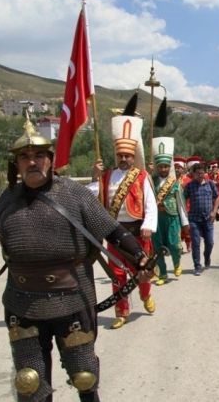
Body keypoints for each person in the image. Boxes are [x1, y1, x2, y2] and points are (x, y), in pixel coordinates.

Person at [0, 117, 152, 401]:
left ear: (50, 160)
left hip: (72, 298)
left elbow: (112, 230)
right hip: (22, 302)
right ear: (16, 164)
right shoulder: (8, 199)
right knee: (30, 383)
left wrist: (140, 257)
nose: (33, 162)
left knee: (85, 378)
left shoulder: (74, 194)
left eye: (39, 155)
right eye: (25, 157)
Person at [89, 114, 158, 330]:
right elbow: (91, 196)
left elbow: (150, 203)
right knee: (117, 274)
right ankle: (121, 312)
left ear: (132, 156)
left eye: (128, 155)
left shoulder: (141, 176)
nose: (124, 159)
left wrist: (148, 225)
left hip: (138, 232)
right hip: (115, 232)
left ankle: (145, 295)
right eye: (121, 155)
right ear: (116, 155)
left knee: (142, 271)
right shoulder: (107, 176)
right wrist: (94, 177)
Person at [151, 137, 189, 285]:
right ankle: (163, 274)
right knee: (158, 246)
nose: (163, 169)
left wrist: (185, 223)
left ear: (169, 167)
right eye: (160, 166)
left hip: (172, 217)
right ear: (157, 167)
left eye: (166, 166)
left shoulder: (175, 183)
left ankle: (177, 262)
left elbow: (181, 204)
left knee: (174, 244)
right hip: (157, 219)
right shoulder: (151, 180)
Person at [183, 162, 219, 275]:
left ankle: (206, 256)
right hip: (194, 219)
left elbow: (217, 196)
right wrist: (185, 214)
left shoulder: (210, 184)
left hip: (208, 218)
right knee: (196, 243)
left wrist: (214, 212)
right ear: (193, 174)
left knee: (210, 242)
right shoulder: (190, 186)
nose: (200, 175)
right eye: (197, 173)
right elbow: (183, 199)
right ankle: (197, 266)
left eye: (202, 173)